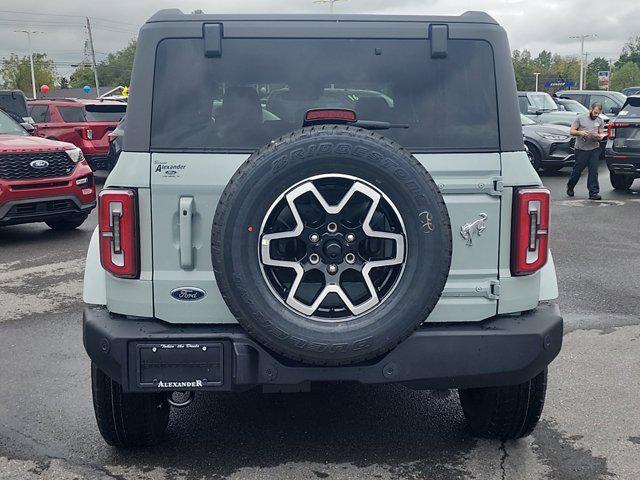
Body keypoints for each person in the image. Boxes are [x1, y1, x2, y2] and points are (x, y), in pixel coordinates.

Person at [567, 102, 605, 200]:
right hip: (581, 149)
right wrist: (580, 132)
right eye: (595, 112)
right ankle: (570, 186)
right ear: (590, 109)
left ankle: (593, 192)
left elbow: (601, 133)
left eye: (598, 114)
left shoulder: (600, 121)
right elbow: (572, 131)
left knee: (593, 171)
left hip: (594, 148)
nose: (596, 115)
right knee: (578, 170)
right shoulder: (580, 118)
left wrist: (599, 136)